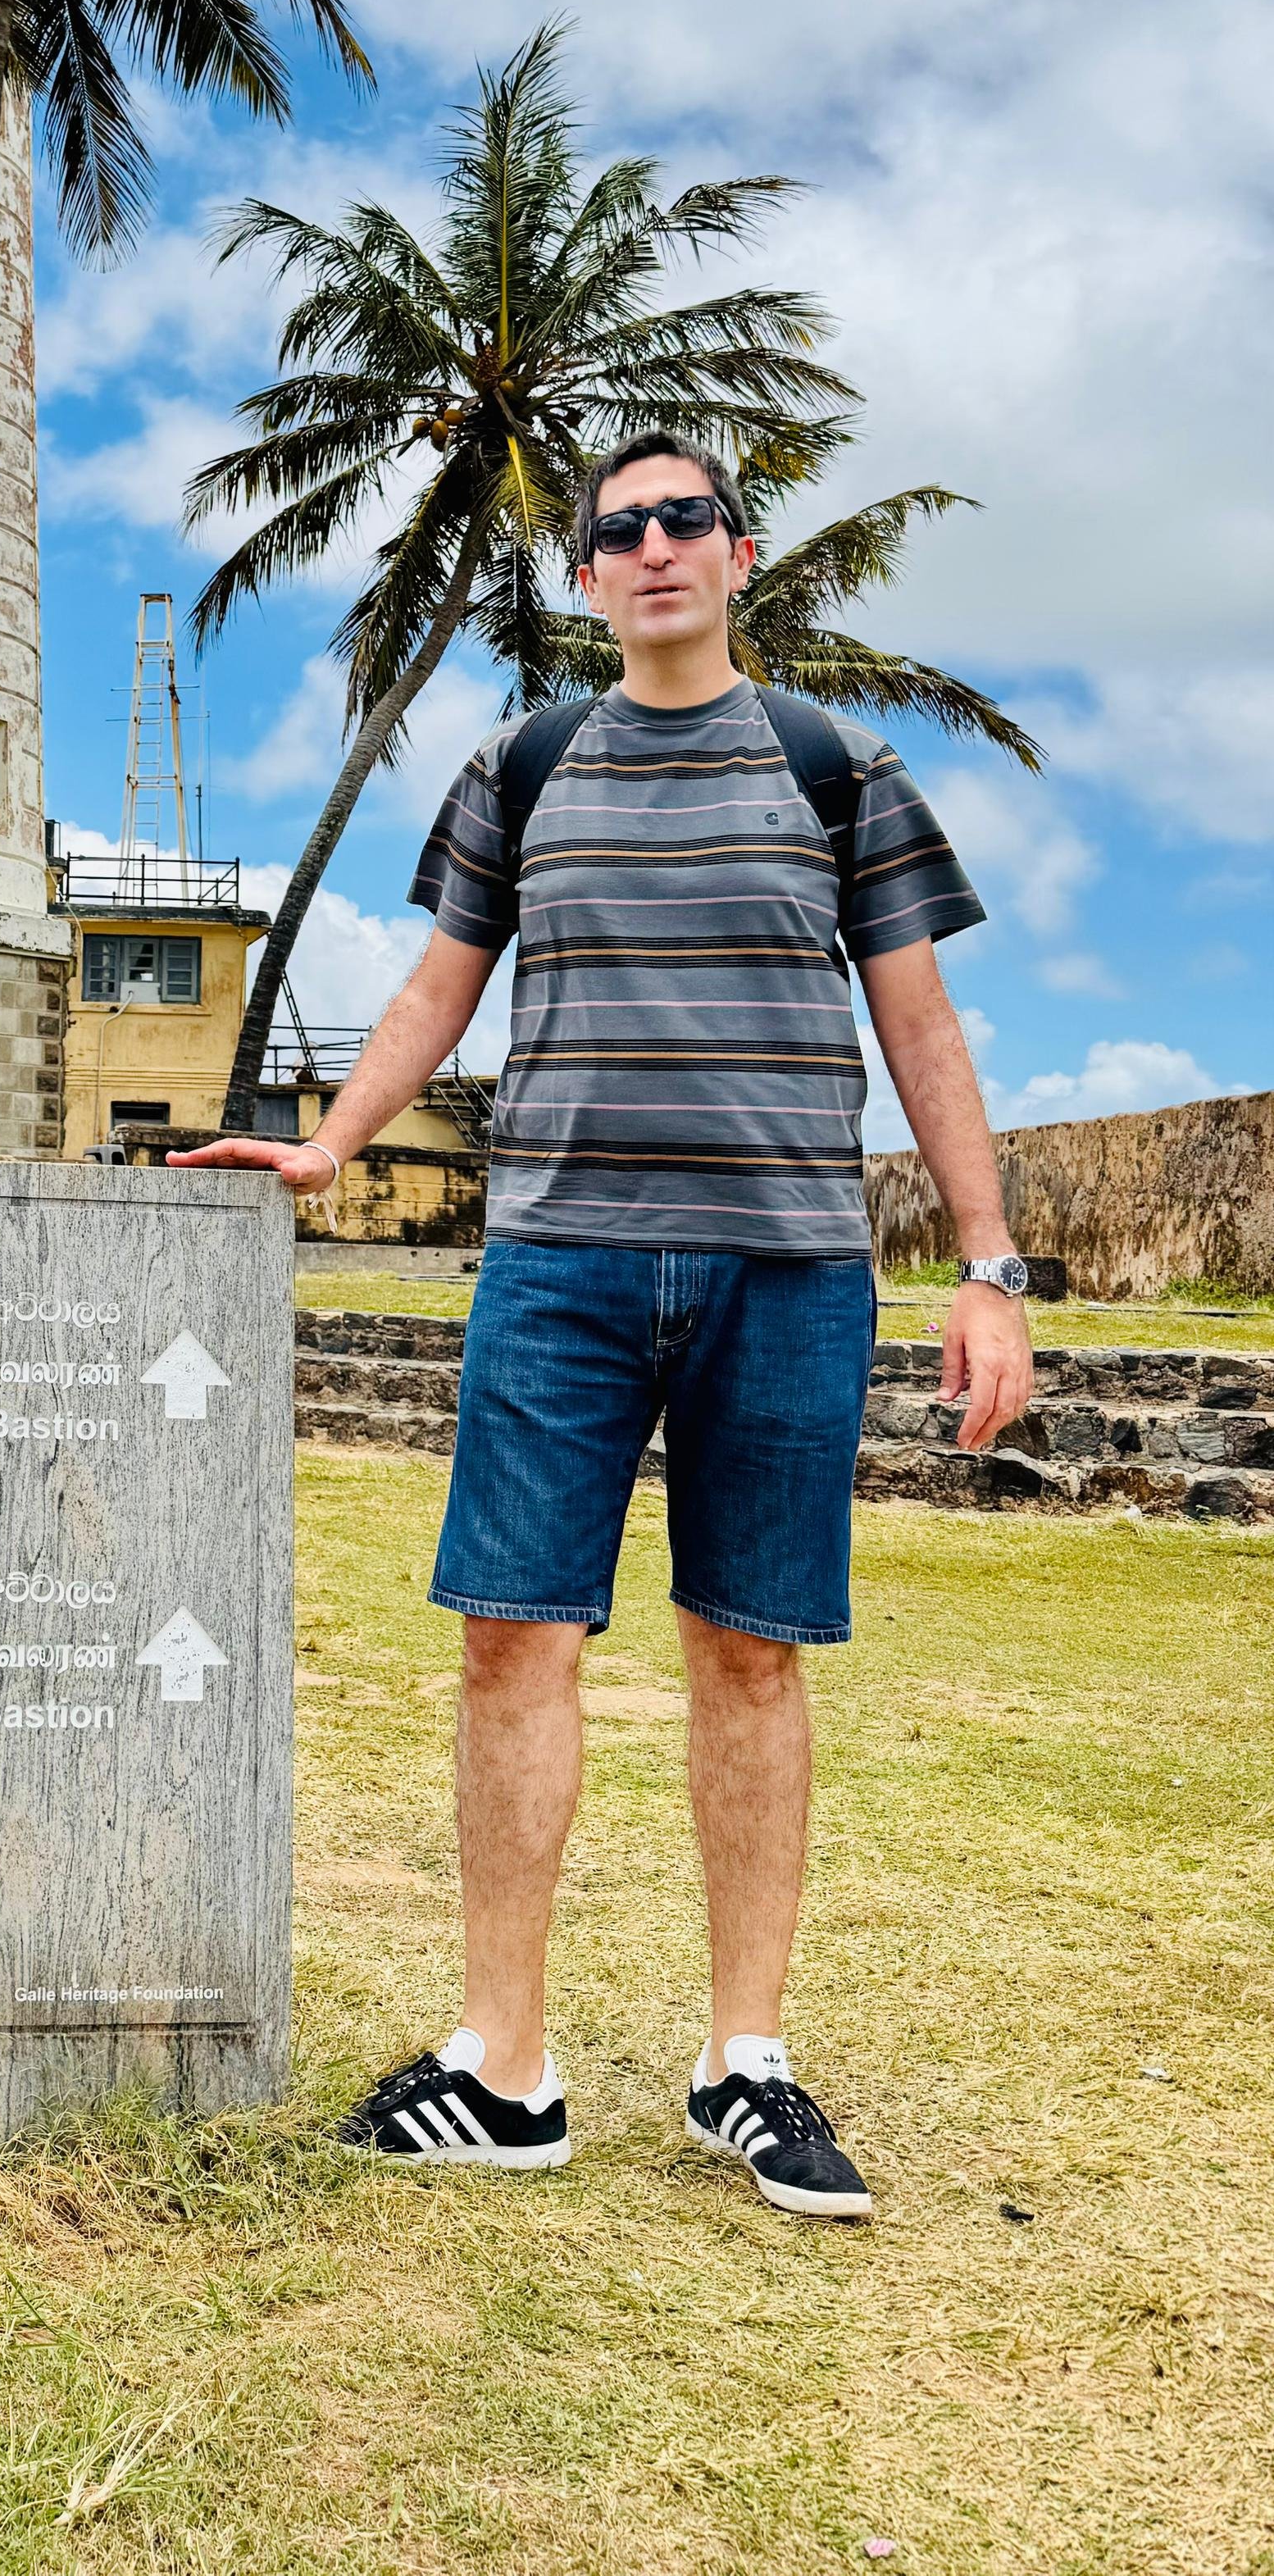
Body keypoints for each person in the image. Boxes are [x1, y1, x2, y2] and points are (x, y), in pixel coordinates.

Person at [175, 434, 1032, 2220]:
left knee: (749, 1646)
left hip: (785, 1264)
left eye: (683, 522)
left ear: (738, 555)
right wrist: (332, 1141)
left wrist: (989, 1261)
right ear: (584, 577)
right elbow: (435, 984)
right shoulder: (524, 762)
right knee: (512, 1641)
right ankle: (505, 2068)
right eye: (616, 530)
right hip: (555, 1258)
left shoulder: (836, 765)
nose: (651, 549)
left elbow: (922, 1025)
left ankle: (746, 2059)